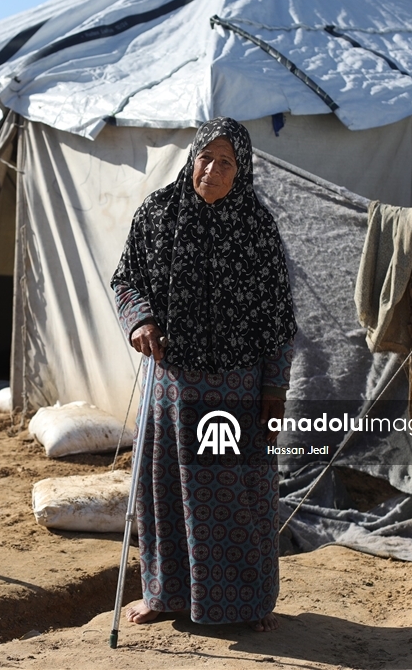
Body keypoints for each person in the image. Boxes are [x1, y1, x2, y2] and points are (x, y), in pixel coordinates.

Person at [111, 117, 297, 633]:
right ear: (191, 158)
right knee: (165, 493)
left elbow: (279, 318)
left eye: (226, 162)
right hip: (172, 388)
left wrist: (275, 388)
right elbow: (127, 279)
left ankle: (245, 605)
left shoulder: (257, 229)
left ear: (242, 171)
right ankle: (163, 595)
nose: (212, 170)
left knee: (235, 501)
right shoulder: (158, 214)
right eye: (205, 158)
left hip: (236, 390)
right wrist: (141, 319)